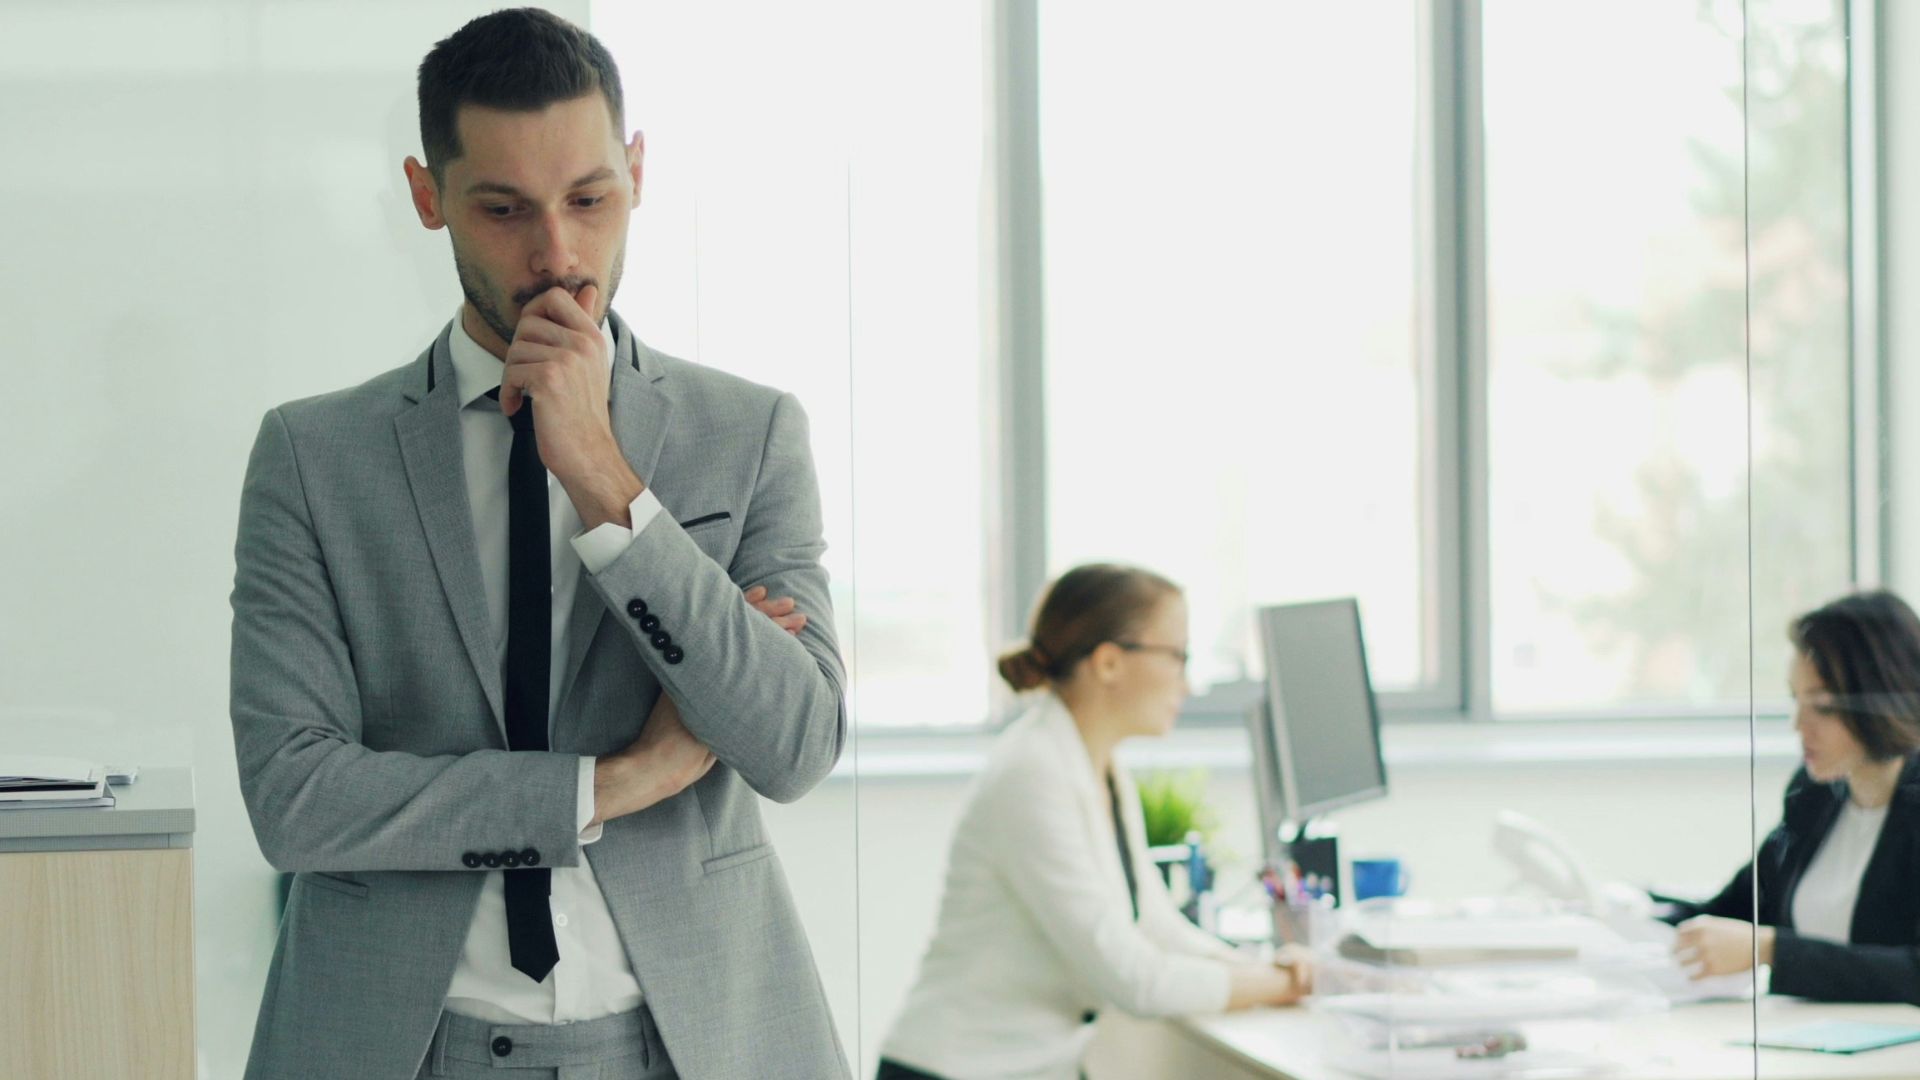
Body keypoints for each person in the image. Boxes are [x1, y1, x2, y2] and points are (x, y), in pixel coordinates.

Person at [228, 10, 849, 1078]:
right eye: (505, 208)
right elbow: (295, 799)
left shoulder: (747, 436)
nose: (557, 254)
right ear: (428, 196)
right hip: (401, 1046)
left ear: (638, 173)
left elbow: (793, 744)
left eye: (590, 200)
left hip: (692, 1043)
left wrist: (608, 483)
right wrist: (611, 785)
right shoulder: (315, 458)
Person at [877, 564, 1314, 1080]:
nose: (1188, 683)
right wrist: (1281, 983)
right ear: (1108, 662)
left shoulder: (1098, 765)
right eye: (1178, 657)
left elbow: (1154, 924)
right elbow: (1133, 980)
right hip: (954, 1069)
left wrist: (1260, 969)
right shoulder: (1032, 772)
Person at [1667, 590, 1920, 1004]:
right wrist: (1632, 911)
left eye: (1822, 707)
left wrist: (1771, 950)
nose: (1798, 725)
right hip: (1807, 1034)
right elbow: (1734, 908)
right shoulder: (1816, 795)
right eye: (1795, 700)